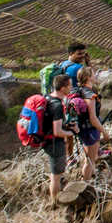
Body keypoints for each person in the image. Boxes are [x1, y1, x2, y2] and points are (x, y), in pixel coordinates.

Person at [44, 74, 78, 203]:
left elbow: (53, 123)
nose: (71, 87)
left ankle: (55, 199)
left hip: (48, 140)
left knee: (55, 174)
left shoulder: (48, 97)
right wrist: (72, 133)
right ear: (63, 87)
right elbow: (57, 131)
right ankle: (55, 203)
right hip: (54, 143)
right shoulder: (57, 105)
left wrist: (67, 126)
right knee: (56, 176)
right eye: (69, 85)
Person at [73, 67, 108, 179]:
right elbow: (93, 118)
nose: (95, 76)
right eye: (93, 74)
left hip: (85, 129)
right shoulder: (89, 95)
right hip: (89, 130)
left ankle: (92, 177)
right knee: (90, 161)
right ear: (88, 77)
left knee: (93, 157)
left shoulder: (79, 90)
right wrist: (104, 132)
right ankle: (86, 185)